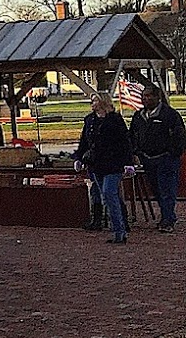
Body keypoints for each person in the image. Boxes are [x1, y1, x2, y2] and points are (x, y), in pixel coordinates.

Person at [76, 93, 132, 243]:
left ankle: (119, 231)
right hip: (96, 164)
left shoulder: (115, 120)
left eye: (95, 100)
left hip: (113, 163)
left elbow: (125, 142)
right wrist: (79, 157)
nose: (92, 103)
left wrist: (128, 162)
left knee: (109, 193)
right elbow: (84, 141)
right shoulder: (90, 120)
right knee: (108, 196)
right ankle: (120, 227)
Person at [131, 85, 185, 233]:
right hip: (147, 159)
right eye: (144, 96)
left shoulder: (170, 115)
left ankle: (168, 219)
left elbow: (179, 135)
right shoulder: (138, 116)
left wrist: (173, 152)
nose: (146, 99)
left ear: (157, 97)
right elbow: (133, 136)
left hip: (166, 158)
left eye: (149, 96)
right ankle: (166, 216)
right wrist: (136, 152)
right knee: (156, 190)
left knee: (167, 190)